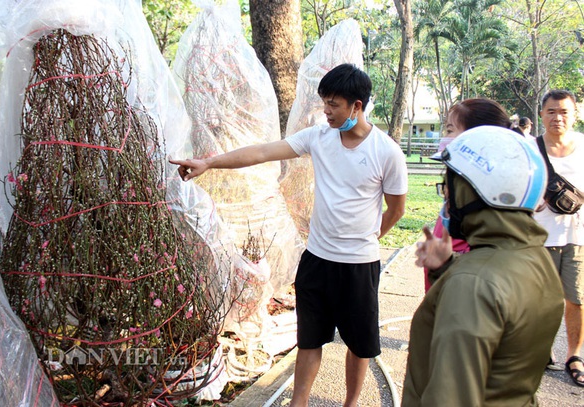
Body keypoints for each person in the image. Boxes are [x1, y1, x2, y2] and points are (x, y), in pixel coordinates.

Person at [170, 63, 408, 406]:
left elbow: (397, 210)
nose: (326, 110)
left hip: (359, 266)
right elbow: (263, 152)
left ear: (357, 106)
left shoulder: (386, 152)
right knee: (309, 340)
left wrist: (368, 240)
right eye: (324, 101)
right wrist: (210, 163)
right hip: (316, 261)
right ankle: (298, 403)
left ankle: (351, 403)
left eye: (334, 104)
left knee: (360, 344)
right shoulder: (319, 137)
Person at [403, 126, 564, 406]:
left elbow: (450, 398)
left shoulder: (473, 284)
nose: (447, 199)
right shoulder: (535, 258)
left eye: (451, 187)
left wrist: (461, 277)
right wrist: (446, 267)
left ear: (474, 193)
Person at [424, 98, 517, 292]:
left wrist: (447, 260)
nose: (445, 138)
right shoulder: (460, 181)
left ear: (476, 138)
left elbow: (490, 260)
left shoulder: (491, 192)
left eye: (450, 130)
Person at [533, 89, 584, 386]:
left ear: (575, 115)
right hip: (539, 236)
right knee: (541, 301)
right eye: (551, 111)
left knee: (576, 300)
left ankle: (575, 355)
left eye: (564, 111)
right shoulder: (531, 148)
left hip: (578, 237)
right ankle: (542, 350)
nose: (558, 117)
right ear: (542, 114)